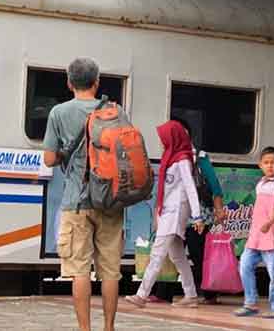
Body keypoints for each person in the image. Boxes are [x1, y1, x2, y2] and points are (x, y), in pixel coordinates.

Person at [41, 58, 124, 331]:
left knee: (79, 270)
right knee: (111, 271)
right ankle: (109, 327)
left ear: (69, 82)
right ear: (97, 82)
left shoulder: (59, 113)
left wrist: (67, 153)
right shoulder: (115, 111)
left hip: (76, 202)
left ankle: (85, 329)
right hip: (111, 200)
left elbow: (50, 159)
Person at [125, 121, 205, 309]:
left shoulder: (183, 160)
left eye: (164, 138)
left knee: (157, 253)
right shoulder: (171, 157)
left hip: (176, 212)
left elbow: (190, 188)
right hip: (168, 212)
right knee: (177, 256)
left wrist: (197, 216)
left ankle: (141, 295)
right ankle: (191, 295)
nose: (161, 142)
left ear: (174, 137)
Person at [151, 116, 226, 304]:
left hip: (197, 214)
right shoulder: (169, 157)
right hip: (176, 213)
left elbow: (214, 184)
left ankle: (209, 293)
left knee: (196, 252)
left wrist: (218, 208)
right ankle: (163, 293)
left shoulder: (198, 157)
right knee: (172, 252)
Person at [234, 146, 274, 319]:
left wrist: (269, 222)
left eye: (273, 163)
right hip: (256, 237)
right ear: (260, 165)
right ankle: (250, 303)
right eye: (266, 163)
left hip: (272, 236)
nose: (270, 166)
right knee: (244, 266)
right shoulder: (261, 184)